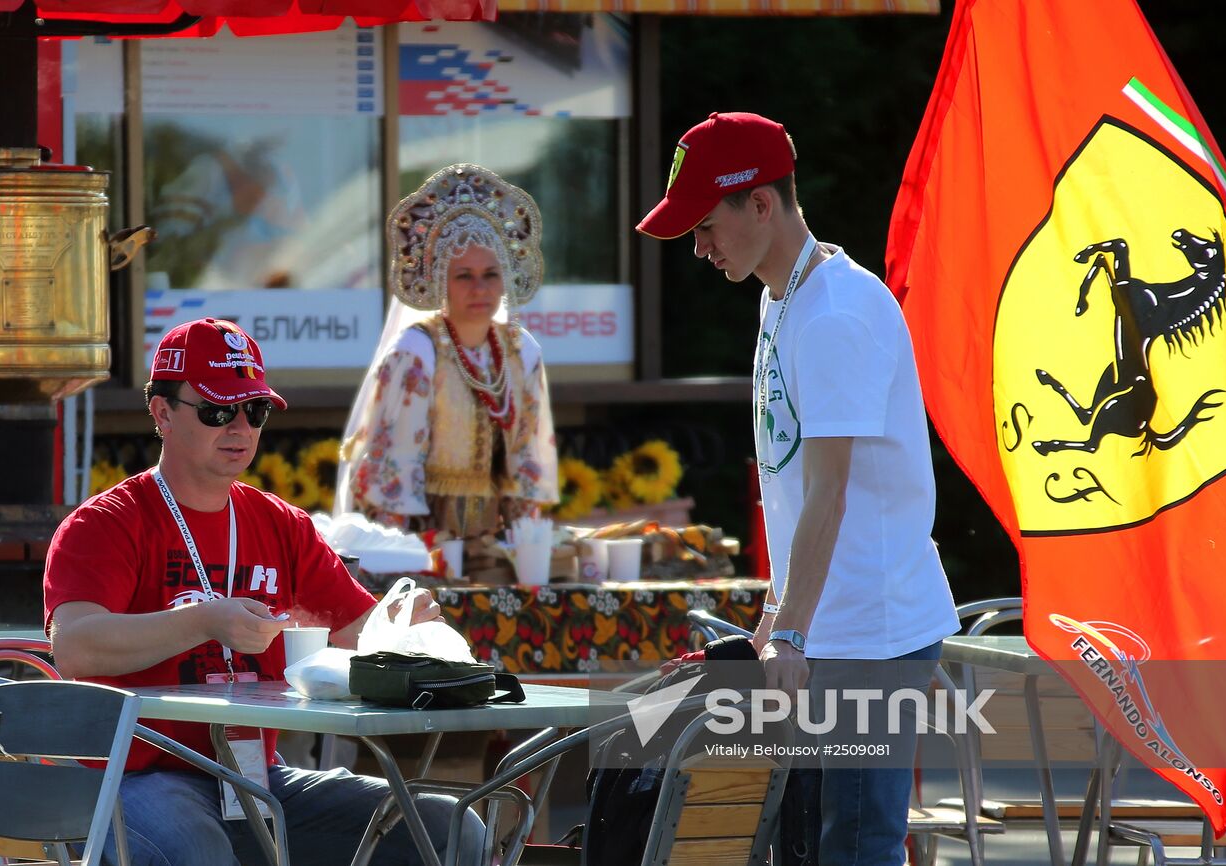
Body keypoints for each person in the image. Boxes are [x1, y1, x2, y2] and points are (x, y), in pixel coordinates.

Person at [637, 112, 959, 866]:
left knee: (851, 845)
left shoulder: (835, 314)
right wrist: (778, 615)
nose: (700, 247)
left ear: (761, 204)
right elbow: (794, 486)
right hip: (835, 624)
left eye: (707, 224)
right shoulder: (783, 297)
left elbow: (830, 492)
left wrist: (788, 631)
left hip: (866, 633)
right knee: (808, 845)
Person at [44, 316, 485, 866]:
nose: (240, 428)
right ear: (162, 414)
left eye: (254, 411)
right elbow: (76, 645)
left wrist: (402, 627)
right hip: (138, 778)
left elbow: (360, 636)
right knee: (199, 849)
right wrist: (203, 620)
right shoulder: (107, 522)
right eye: (217, 411)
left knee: (449, 827)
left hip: (256, 779)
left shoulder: (282, 525)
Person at [336, 163, 559, 539]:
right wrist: (407, 551)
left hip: (492, 538)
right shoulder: (417, 351)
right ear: (441, 280)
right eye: (463, 276)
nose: (480, 288)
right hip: (422, 536)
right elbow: (394, 466)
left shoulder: (522, 352)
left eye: (490, 274)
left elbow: (527, 461)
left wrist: (525, 543)